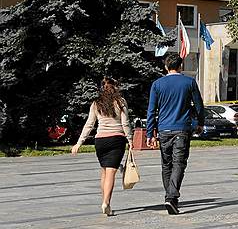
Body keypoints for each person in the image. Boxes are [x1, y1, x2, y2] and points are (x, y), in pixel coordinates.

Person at [146, 53, 205, 215]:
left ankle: (170, 197)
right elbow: (199, 106)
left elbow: (151, 111)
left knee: (166, 164)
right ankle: (171, 197)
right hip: (182, 129)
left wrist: (150, 133)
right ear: (181, 66)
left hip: (164, 129)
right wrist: (200, 123)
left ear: (166, 67)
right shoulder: (189, 82)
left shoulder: (157, 84)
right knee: (179, 163)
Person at [71, 77, 132, 216]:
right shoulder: (120, 102)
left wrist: (79, 143)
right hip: (117, 139)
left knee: (104, 172)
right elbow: (125, 123)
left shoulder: (96, 104)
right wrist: (130, 139)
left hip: (100, 141)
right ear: (115, 88)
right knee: (111, 173)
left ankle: (104, 200)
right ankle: (106, 203)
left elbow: (89, 124)